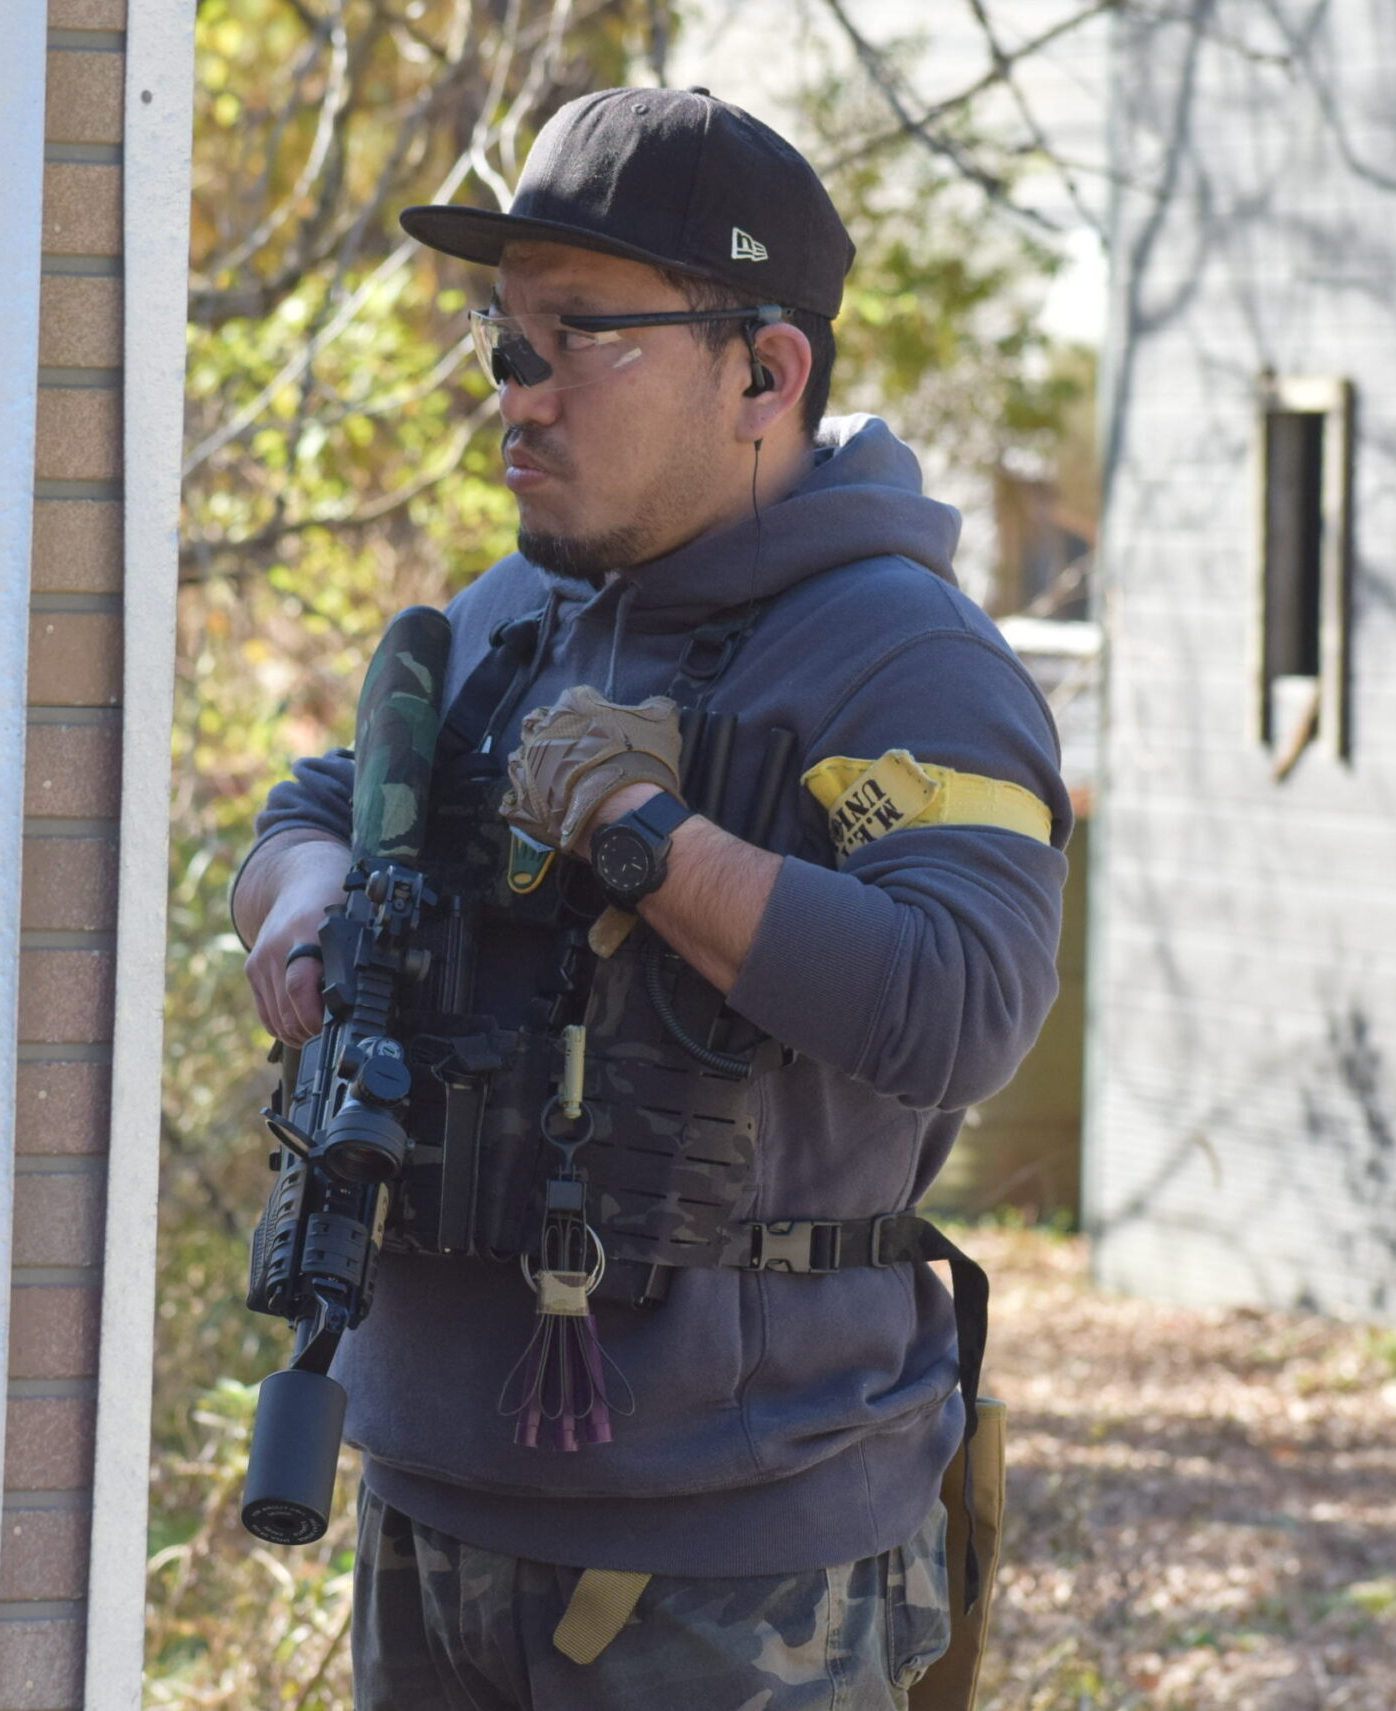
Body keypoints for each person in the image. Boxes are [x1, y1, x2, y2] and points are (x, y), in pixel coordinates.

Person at [230, 85, 1069, 1710]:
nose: (517, 389)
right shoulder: (514, 614)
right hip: (426, 1505)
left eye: (581, 336)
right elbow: (318, 802)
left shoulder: (903, 660)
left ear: (766, 371)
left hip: (737, 1561)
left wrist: (643, 834)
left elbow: (961, 1002)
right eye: (504, 337)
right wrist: (303, 900)